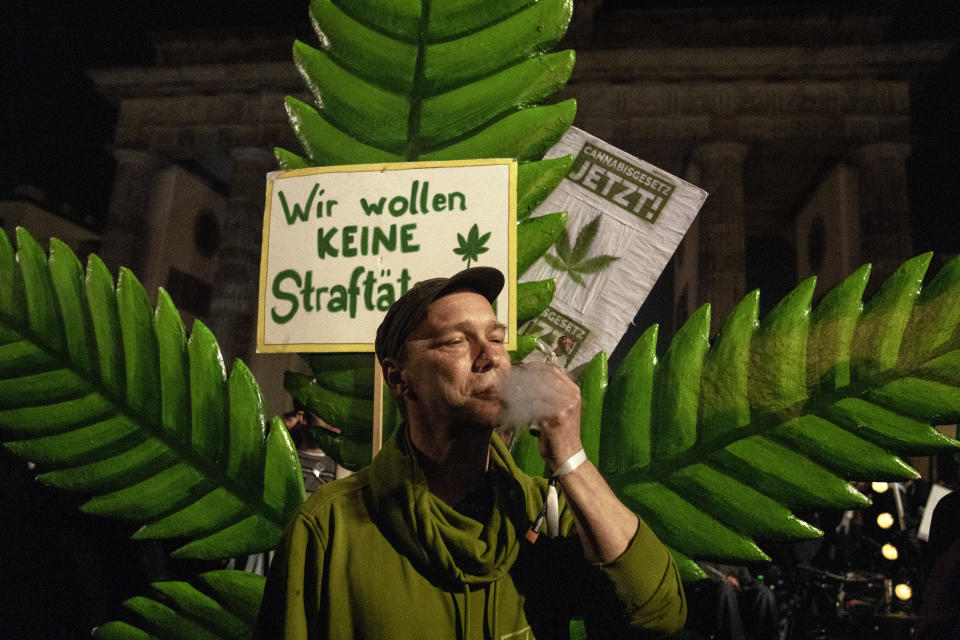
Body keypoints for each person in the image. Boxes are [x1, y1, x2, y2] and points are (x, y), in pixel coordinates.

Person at [255, 267, 686, 639]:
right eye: (455, 342)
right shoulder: (330, 528)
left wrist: (570, 458)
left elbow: (657, 616)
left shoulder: (542, 514)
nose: (491, 358)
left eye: (496, 339)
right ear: (398, 376)